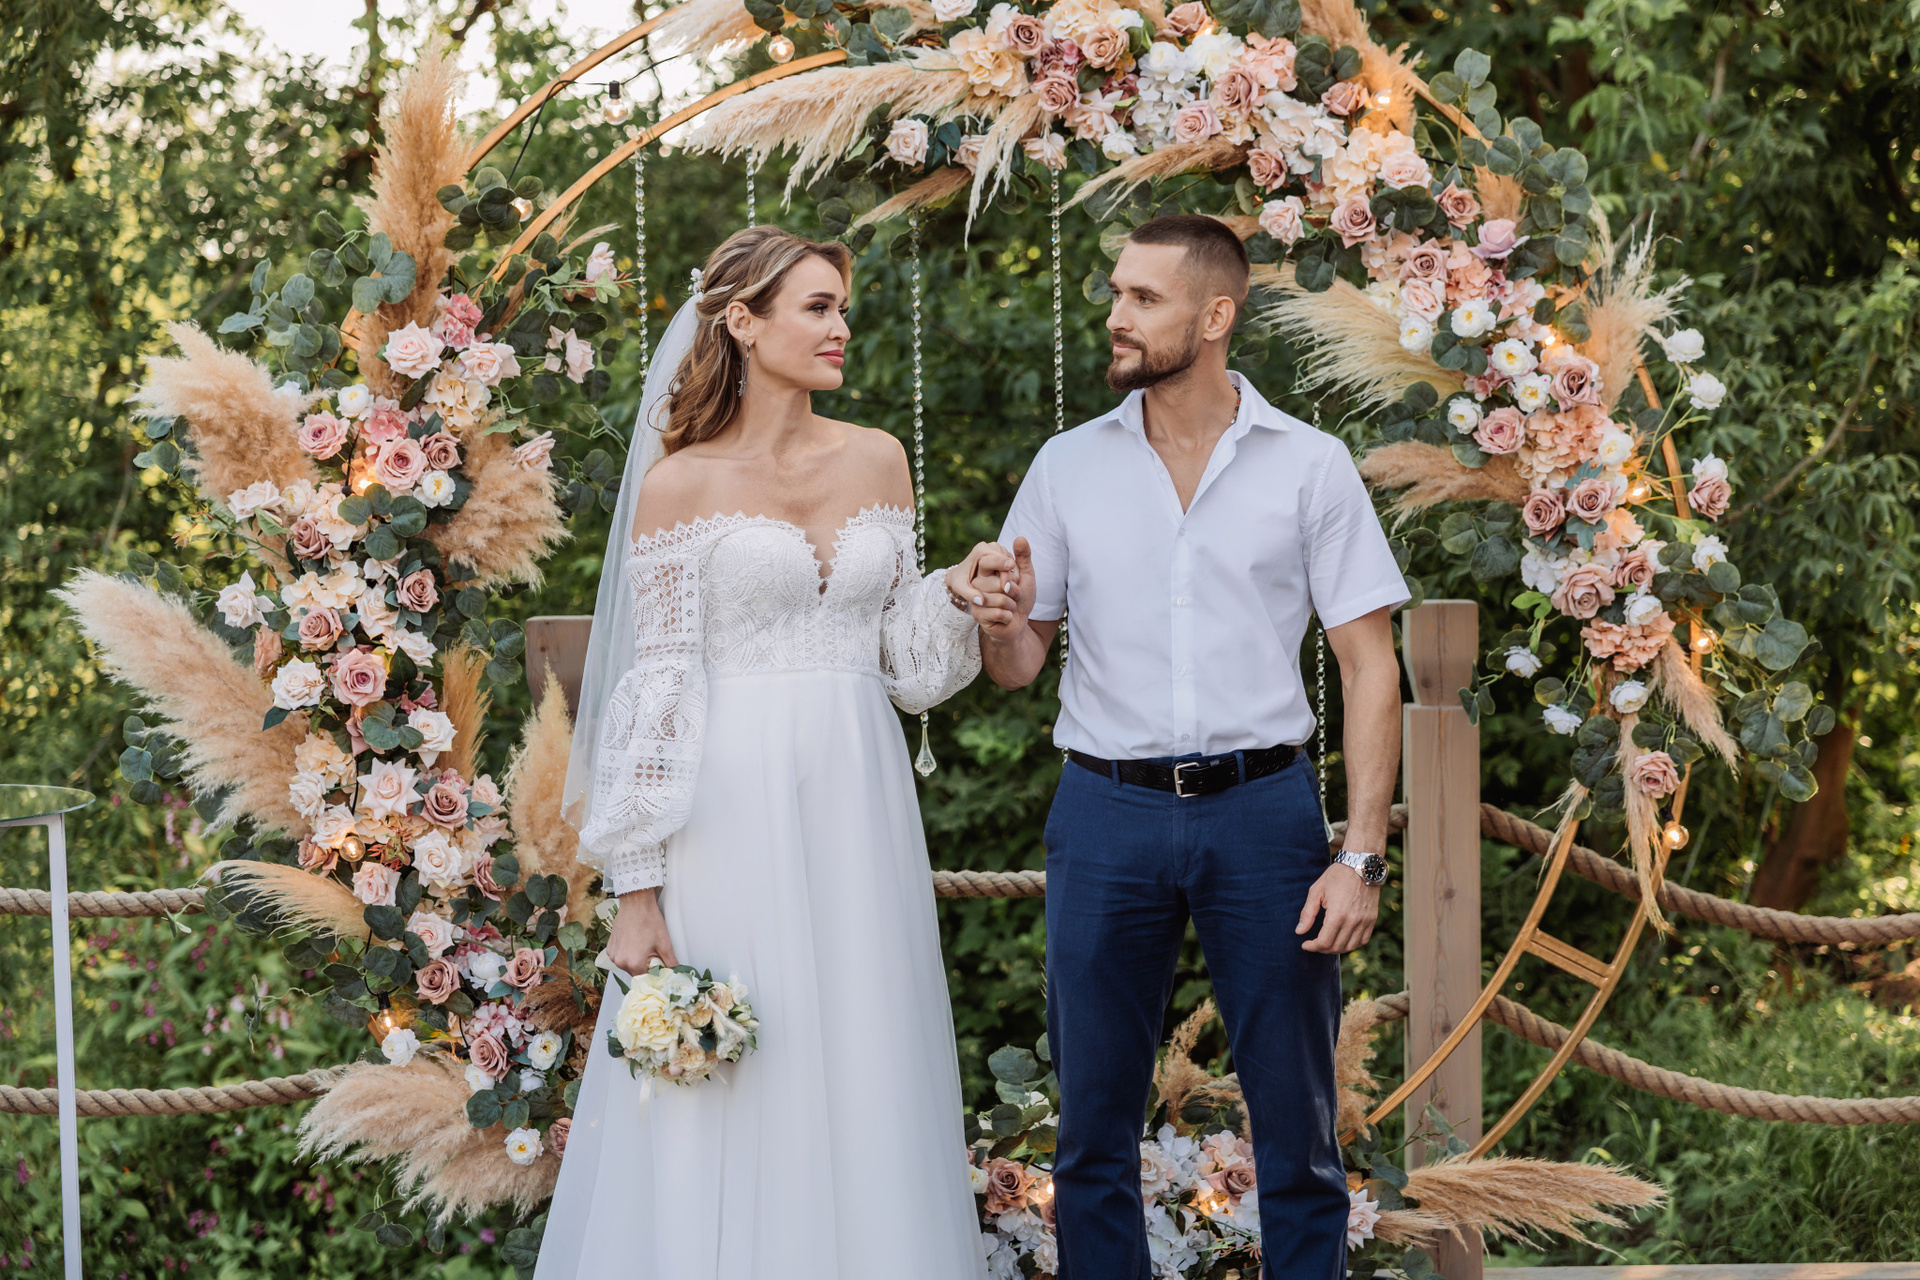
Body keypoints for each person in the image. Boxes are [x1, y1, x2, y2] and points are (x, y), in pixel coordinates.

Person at [960, 215, 1408, 1279]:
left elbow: (1370, 667)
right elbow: (1019, 665)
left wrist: (1360, 855)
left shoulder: (1311, 466)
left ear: (1215, 317)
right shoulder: (1068, 466)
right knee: (1092, 1128)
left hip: (1265, 815)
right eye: (1117, 292)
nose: (1117, 316)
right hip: (1104, 812)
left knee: (1298, 1127)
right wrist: (998, 622)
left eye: (1143, 298)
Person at [541, 226, 992, 1279]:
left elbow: (902, 662)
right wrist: (637, 891)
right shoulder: (680, 485)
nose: (841, 327)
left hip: (860, 794)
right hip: (726, 808)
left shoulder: (879, 458)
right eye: (818, 307)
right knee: (741, 1068)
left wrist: (955, 595)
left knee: (865, 1046)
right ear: (743, 322)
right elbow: (652, 690)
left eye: (843, 308)